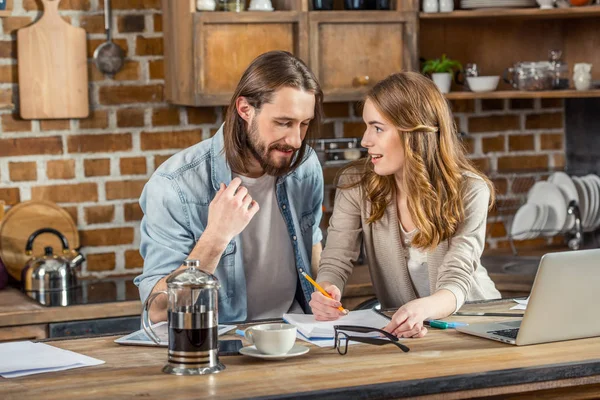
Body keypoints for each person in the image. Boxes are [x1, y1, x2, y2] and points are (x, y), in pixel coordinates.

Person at [135, 51, 325, 323]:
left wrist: (328, 290)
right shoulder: (173, 185)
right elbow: (158, 310)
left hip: (295, 334)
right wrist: (215, 237)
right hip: (219, 345)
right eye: (283, 123)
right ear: (245, 109)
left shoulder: (304, 165)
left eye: (304, 124)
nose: (295, 140)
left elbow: (312, 242)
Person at [310, 71, 500, 338]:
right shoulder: (356, 185)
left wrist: (421, 310)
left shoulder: (470, 190)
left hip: (475, 325)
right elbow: (336, 259)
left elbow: (457, 278)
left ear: (413, 132)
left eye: (377, 128)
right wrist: (326, 291)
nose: (365, 141)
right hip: (413, 330)